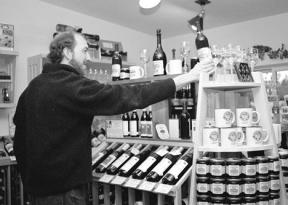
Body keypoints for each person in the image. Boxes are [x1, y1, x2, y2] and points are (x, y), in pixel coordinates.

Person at [13, 31, 213, 205]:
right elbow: (130, 97)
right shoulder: (71, 85)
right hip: (65, 194)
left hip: (37, 191)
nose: (88, 58)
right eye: (84, 51)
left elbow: (20, 141)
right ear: (66, 52)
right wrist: (189, 77)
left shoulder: (32, 88)